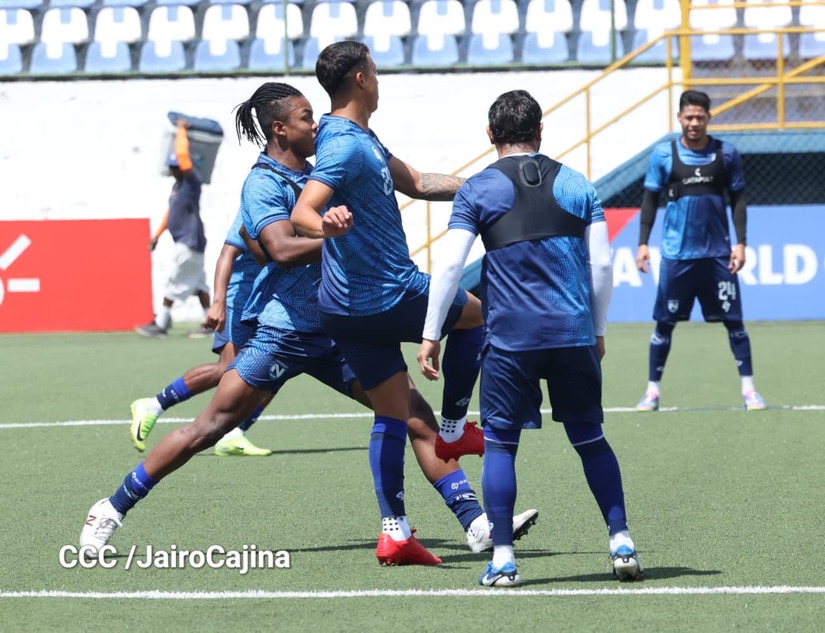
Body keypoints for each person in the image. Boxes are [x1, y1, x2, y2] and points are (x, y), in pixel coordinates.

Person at [81, 82, 537, 565]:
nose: (315, 124)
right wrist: (342, 238)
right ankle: (109, 509)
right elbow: (276, 247)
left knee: (415, 417)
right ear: (280, 128)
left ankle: (478, 525)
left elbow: (414, 183)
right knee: (210, 426)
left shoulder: (324, 168)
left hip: (338, 326)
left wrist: (476, 190)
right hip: (286, 332)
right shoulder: (263, 183)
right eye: (304, 118)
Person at [418, 89, 643, 587]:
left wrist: (432, 332)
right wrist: (598, 329)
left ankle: (502, 559)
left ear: (491, 135)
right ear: (541, 132)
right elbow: (602, 265)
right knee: (590, 439)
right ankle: (621, 539)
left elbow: (451, 265)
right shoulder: (579, 184)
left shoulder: (477, 189)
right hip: (572, 334)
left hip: (512, 342)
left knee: (500, 447)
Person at [290, 41, 491, 565]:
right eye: (375, 71)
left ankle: (395, 531)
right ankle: (452, 428)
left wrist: (488, 187)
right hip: (386, 293)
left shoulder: (361, 138)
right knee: (475, 313)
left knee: (390, 413)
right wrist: (325, 221)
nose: (379, 79)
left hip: (344, 308)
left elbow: (420, 183)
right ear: (360, 78)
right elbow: (302, 212)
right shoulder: (344, 146)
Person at [635, 90, 766, 412]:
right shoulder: (663, 155)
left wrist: (741, 242)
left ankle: (749, 391)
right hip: (677, 256)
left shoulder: (727, 154)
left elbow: (738, 200)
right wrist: (642, 243)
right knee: (664, 324)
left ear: (709, 118)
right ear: (679, 118)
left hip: (718, 256)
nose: (694, 123)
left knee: (735, 323)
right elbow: (650, 201)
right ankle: (652, 392)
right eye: (689, 117)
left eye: (700, 117)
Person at [129, 211, 273, 457]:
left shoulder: (299, 197)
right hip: (240, 297)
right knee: (226, 368)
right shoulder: (259, 196)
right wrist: (217, 303)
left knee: (276, 368)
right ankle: (153, 405)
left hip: (267, 299)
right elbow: (227, 254)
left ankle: (234, 433)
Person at [136, 118, 212, 339]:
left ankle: (160, 324)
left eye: (174, 167)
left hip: (189, 242)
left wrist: (181, 131)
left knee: (174, 281)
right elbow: (170, 213)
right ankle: (210, 322)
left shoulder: (191, 181)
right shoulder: (179, 187)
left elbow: (183, 157)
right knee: (199, 285)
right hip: (189, 241)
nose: (171, 170)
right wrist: (157, 235)